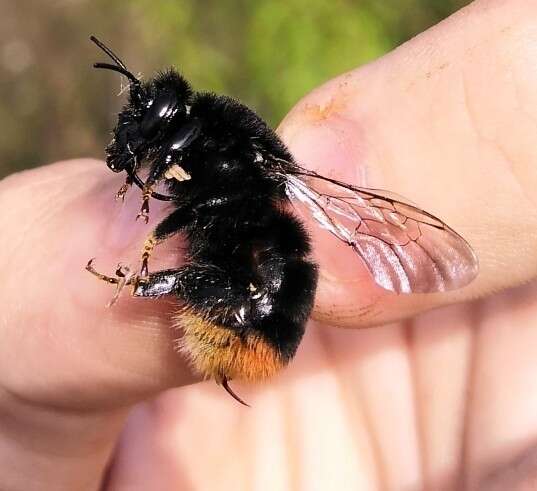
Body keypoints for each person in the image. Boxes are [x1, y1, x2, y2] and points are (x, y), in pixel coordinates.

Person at [1, 0, 537, 489]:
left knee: (224, 256)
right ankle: (144, 283)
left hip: (257, 306)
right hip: (255, 322)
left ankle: (144, 283)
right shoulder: (202, 168)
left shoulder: (229, 152)